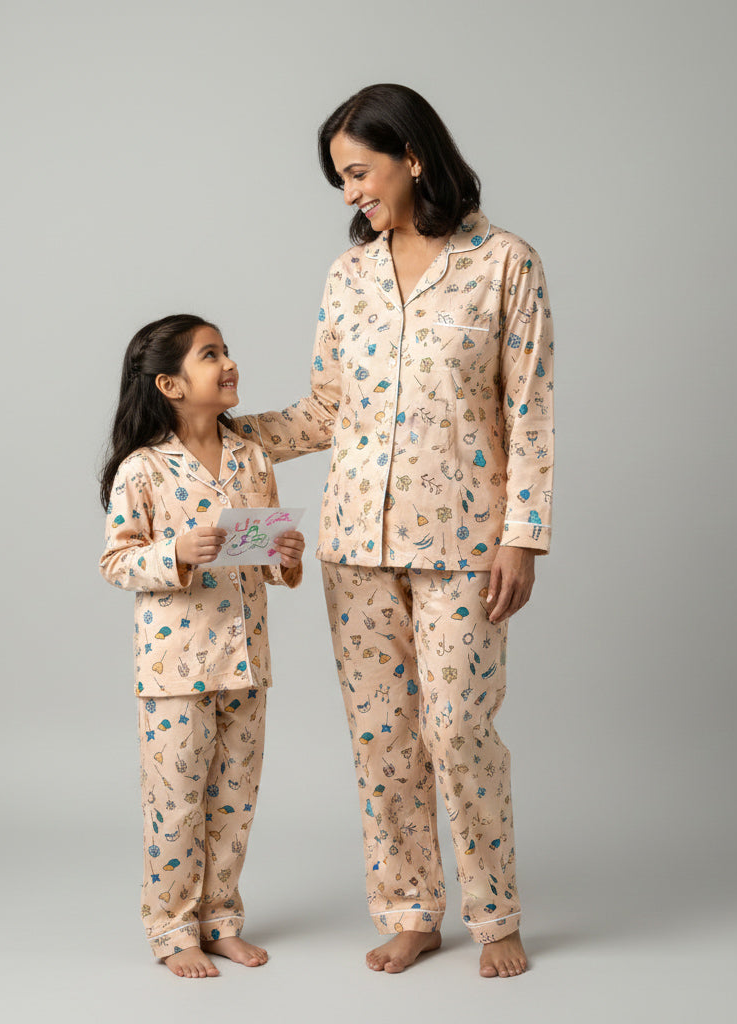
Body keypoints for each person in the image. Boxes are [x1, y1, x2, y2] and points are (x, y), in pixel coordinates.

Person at [235, 84, 553, 979]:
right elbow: (328, 409)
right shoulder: (350, 276)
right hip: (354, 547)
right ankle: (412, 907)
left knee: (458, 729)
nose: (349, 195)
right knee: (383, 738)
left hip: (463, 544)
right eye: (340, 180)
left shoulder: (504, 264)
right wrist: (225, 434)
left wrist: (523, 535)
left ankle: (496, 915)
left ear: (413, 157)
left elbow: (528, 411)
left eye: (359, 172)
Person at [99, 314, 305, 979]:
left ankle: (219, 920)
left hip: (246, 660)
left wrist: (288, 555)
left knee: (234, 802)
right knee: (177, 806)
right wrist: (175, 553)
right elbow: (116, 562)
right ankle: (171, 930)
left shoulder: (251, 456)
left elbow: (266, 558)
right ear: (170, 384)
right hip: (175, 669)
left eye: (226, 351)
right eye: (211, 355)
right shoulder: (143, 469)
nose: (229, 363)